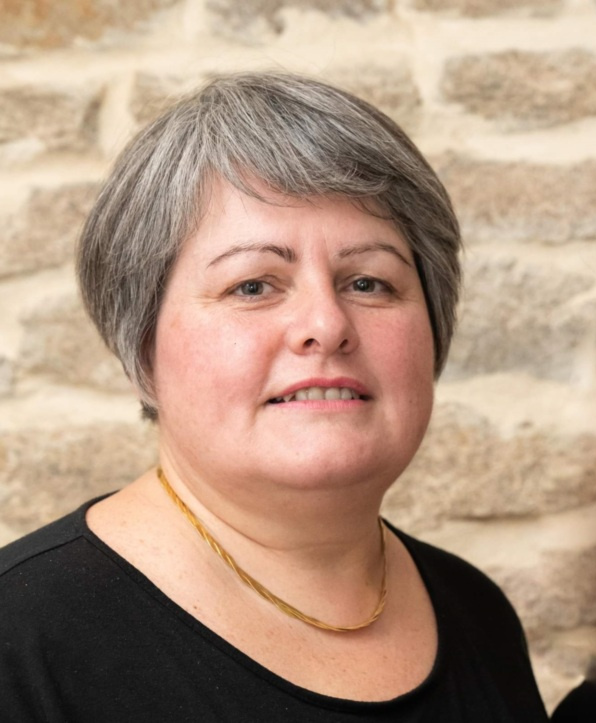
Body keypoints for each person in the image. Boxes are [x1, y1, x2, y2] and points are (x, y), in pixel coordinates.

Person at [0, 71, 549, 722]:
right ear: (141, 344)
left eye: (369, 282)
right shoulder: (21, 639)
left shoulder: (476, 613)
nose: (326, 324)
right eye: (254, 285)